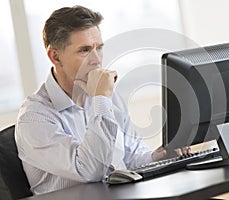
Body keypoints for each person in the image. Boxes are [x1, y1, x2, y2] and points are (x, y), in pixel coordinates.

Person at [15, 5, 190, 195]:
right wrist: (101, 99)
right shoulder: (34, 118)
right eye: (84, 50)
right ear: (55, 56)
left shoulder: (107, 97)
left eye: (99, 48)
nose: (96, 60)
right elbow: (88, 170)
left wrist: (161, 156)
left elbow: (132, 158)